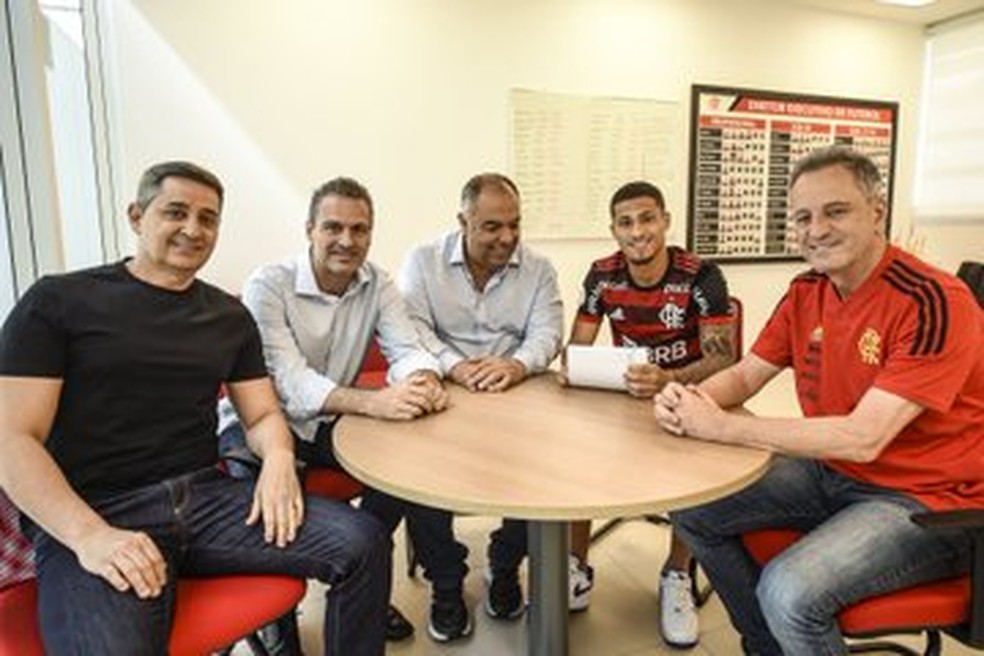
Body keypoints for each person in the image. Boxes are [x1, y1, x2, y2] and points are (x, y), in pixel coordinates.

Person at [0, 161, 390, 655]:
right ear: (137, 216)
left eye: (208, 219)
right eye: (176, 212)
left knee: (364, 542)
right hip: (100, 510)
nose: (193, 229)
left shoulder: (228, 317)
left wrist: (275, 462)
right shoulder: (57, 301)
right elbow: (13, 439)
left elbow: (263, 415)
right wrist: (89, 536)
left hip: (204, 500)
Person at [657, 146, 984, 655]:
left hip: (929, 501)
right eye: (803, 218)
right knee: (691, 508)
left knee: (788, 592)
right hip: (834, 472)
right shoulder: (807, 290)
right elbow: (744, 375)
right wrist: (687, 399)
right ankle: (770, 647)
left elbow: (863, 437)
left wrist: (722, 427)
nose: (816, 230)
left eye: (836, 211)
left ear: (877, 212)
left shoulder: (935, 300)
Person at [217, 176, 473, 644]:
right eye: (333, 227)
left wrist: (423, 380)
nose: (347, 241)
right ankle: (276, 628)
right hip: (260, 426)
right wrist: (375, 402)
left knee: (415, 468)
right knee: (263, 521)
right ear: (309, 229)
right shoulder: (268, 284)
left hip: (328, 424)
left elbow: (408, 347)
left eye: (360, 229)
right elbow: (288, 382)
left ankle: (366, 585)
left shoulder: (377, 283)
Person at [565, 180, 736, 645]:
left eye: (647, 218)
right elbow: (578, 346)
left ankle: (676, 573)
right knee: (577, 450)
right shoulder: (602, 275)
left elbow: (725, 358)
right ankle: (577, 565)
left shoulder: (701, 276)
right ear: (614, 230)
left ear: (665, 221)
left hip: (688, 391)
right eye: (626, 222)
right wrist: (572, 368)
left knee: (689, 470)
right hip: (627, 393)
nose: (637, 231)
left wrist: (670, 378)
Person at [398, 172, 564, 620]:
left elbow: (548, 333)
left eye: (515, 224)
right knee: (421, 482)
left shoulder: (539, 268)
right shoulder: (423, 260)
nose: (507, 237)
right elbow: (410, 328)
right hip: (445, 388)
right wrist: (455, 365)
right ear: (463, 221)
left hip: (517, 391)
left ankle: (505, 564)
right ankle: (447, 584)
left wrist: (516, 365)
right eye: (492, 226)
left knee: (548, 478)